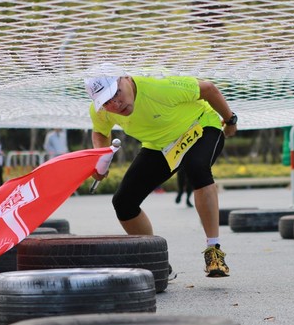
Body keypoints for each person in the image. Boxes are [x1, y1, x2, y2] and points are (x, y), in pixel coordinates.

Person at [85, 63, 238, 278]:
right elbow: (101, 133)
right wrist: (101, 160)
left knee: (196, 168)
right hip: (161, 146)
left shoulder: (160, 86)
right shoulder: (101, 111)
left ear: (126, 79)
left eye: (116, 93)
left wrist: (230, 120)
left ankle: (214, 252)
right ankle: (155, 258)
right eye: (107, 102)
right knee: (123, 202)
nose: (116, 104)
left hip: (200, 128)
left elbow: (209, 89)